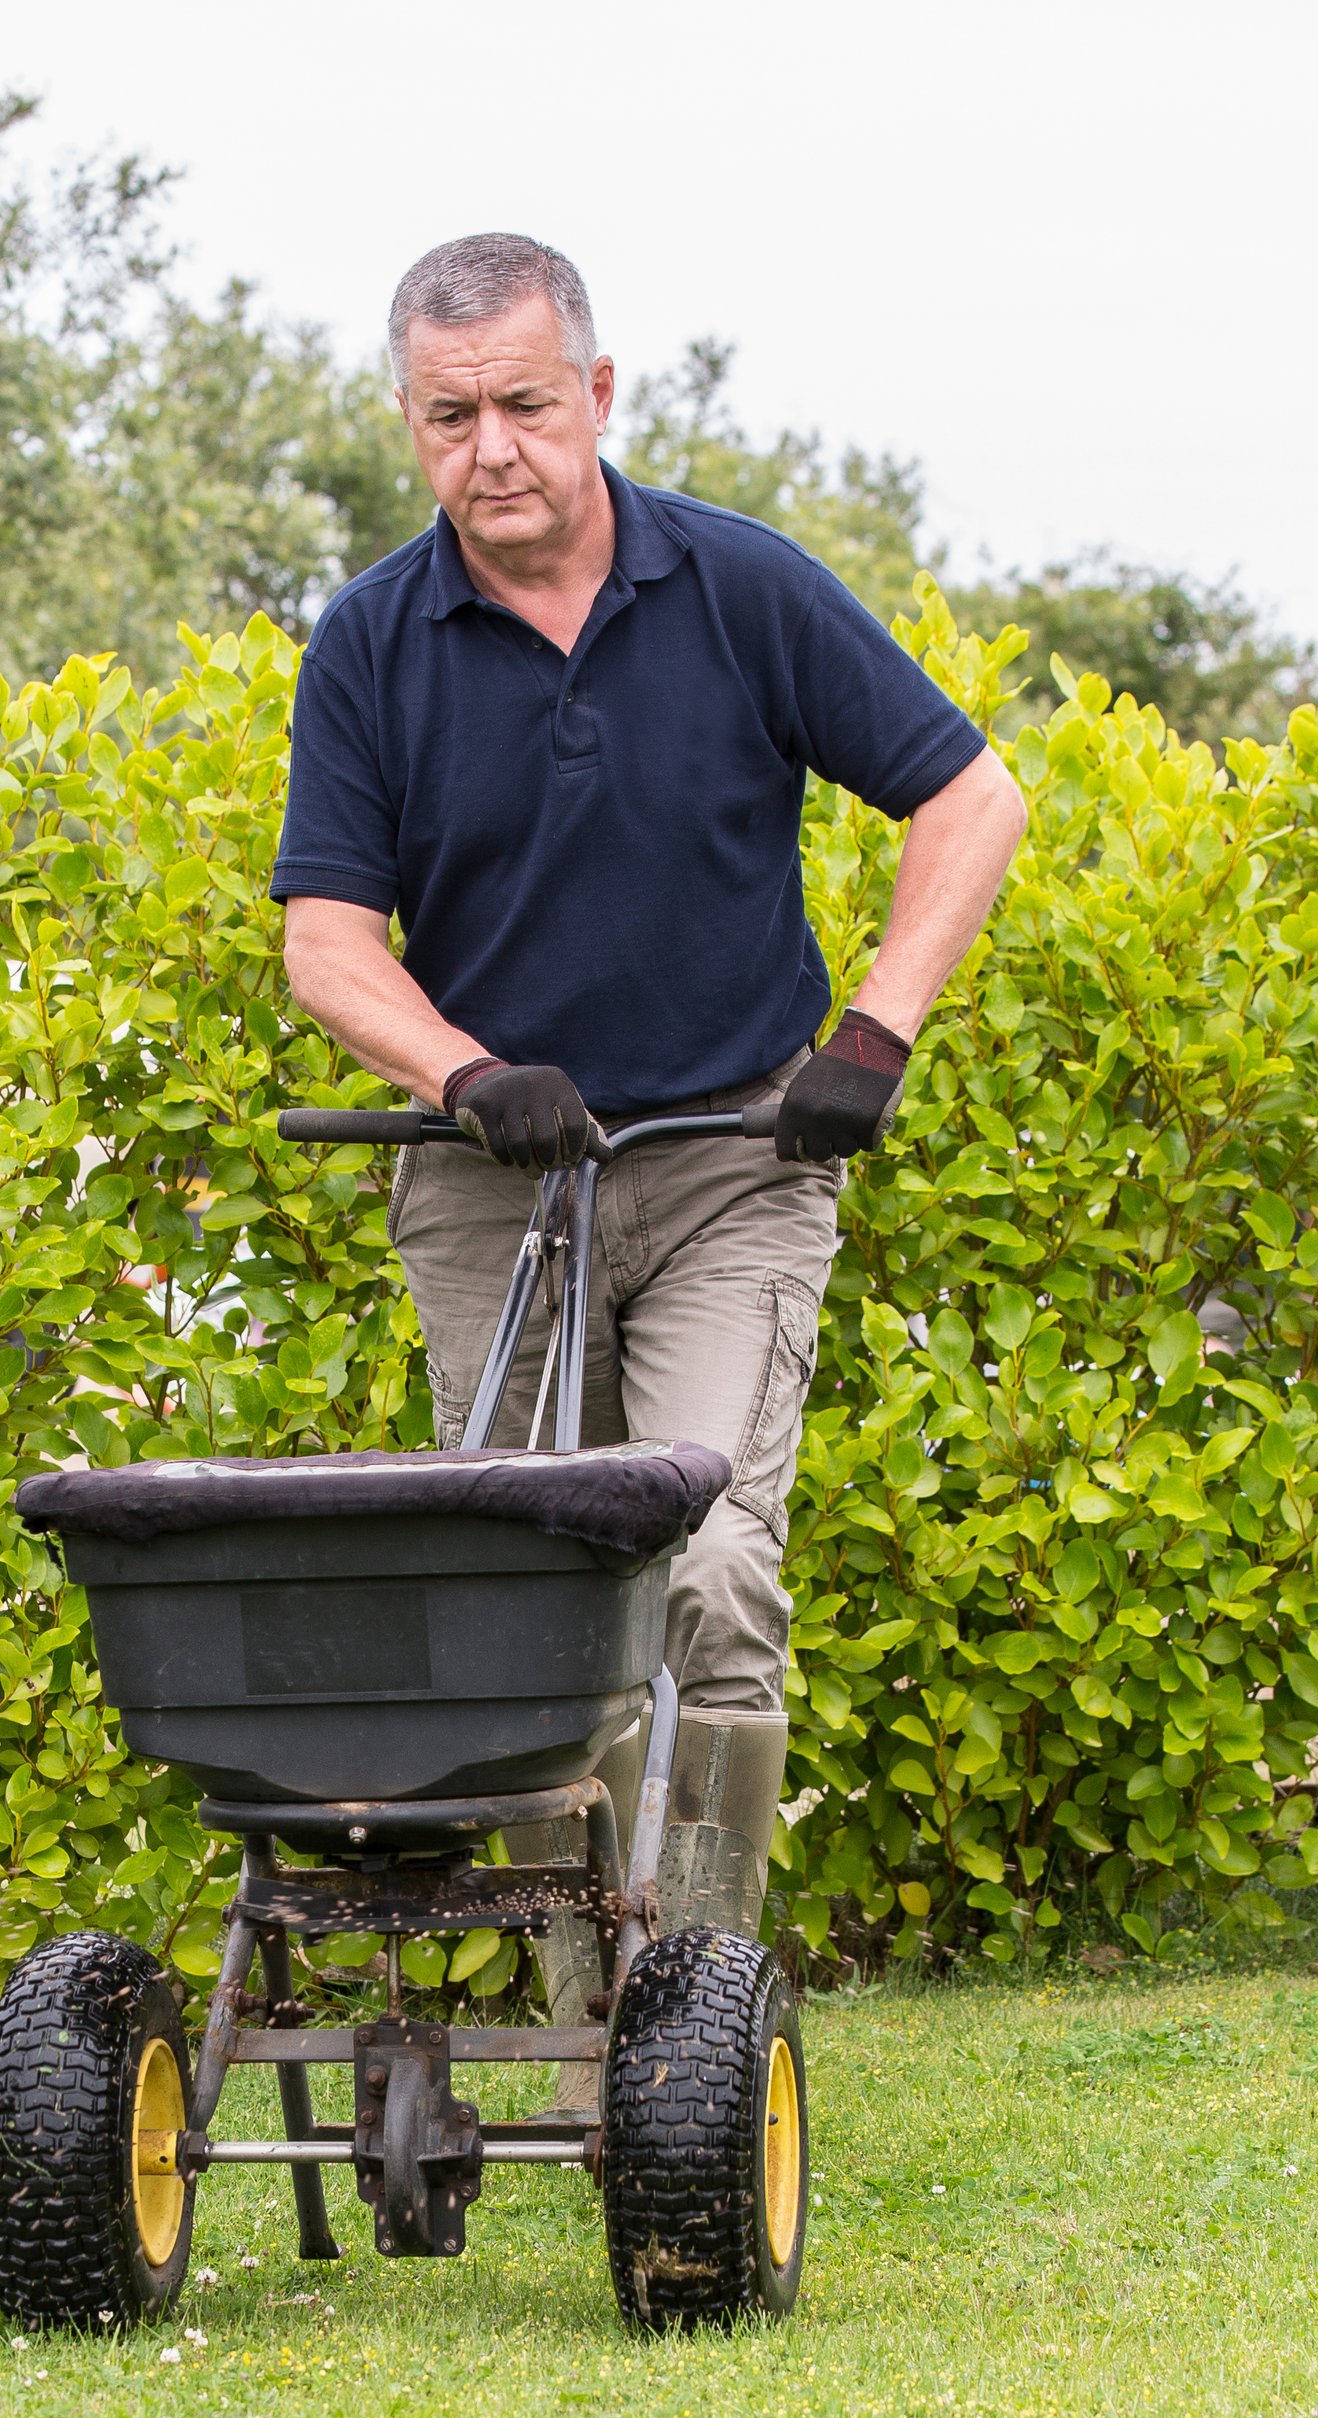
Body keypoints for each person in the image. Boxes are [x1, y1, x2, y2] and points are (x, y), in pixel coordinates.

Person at [273, 228, 1025, 1995]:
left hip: (732, 1165)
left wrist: (875, 1040)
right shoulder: (377, 641)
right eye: (451, 417)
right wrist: (463, 1073)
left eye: (527, 405)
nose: (495, 451)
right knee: (541, 1592)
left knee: (711, 1575)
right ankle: (586, 2002)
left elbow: (971, 799)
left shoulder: (739, 589)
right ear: (412, 424)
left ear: (597, 395)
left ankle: (700, 2006)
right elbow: (326, 943)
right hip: (498, 1183)